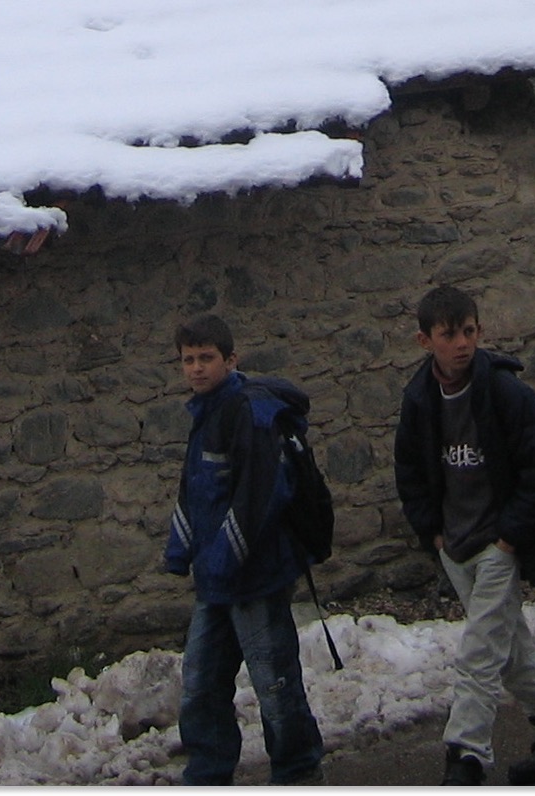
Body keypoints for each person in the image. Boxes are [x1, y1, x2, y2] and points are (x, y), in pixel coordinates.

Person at [392, 284, 535, 788]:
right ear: (424, 341)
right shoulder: (419, 399)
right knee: (511, 649)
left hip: (498, 543)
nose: (461, 343)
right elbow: (411, 470)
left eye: (469, 331)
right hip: (455, 547)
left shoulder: (506, 393)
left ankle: (466, 756)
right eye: (448, 334)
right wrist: (432, 533)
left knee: (479, 653)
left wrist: (509, 539)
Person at [163, 313, 325, 786]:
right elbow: (193, 490)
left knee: (274, 685)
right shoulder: (205, 413)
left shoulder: (249, 415)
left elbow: (258, 499)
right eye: (188, 360)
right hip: (217, 582)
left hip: (256, 576)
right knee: (200, 684)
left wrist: (221, 561)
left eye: (206, 358)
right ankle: (208, 773)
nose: (196, 369)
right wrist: (181, 550)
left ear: (230, 360)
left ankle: (298, 772)